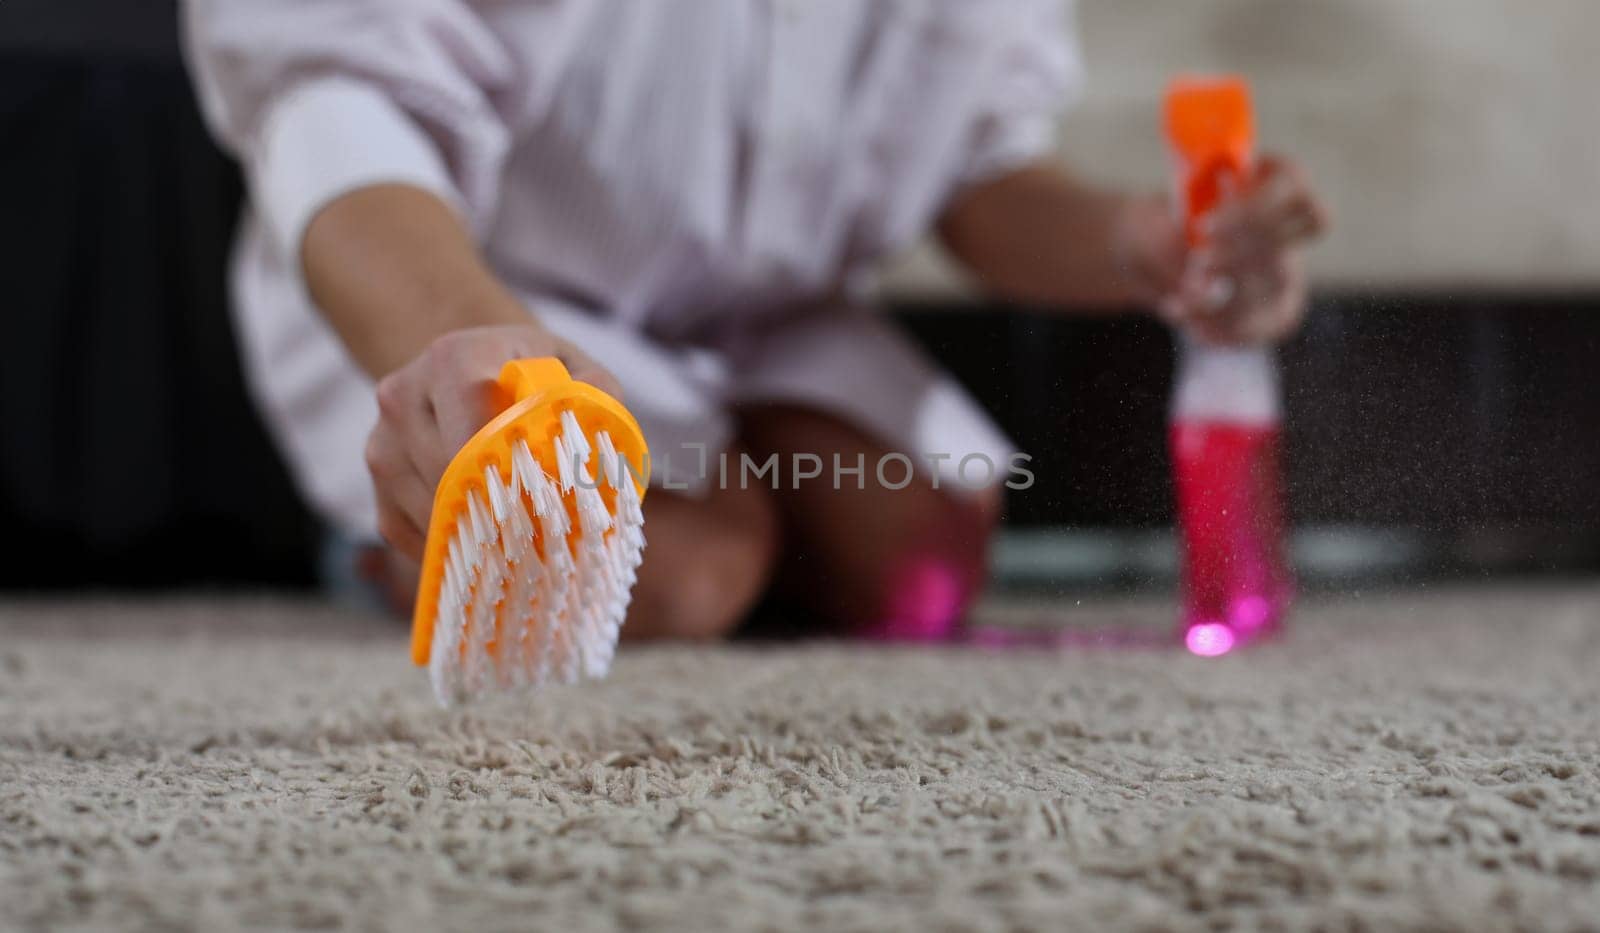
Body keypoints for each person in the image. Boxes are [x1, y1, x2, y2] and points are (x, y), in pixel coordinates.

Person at [182, 0, 1326, 640]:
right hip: (480, 271)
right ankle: (388, 543)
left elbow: (979, 176)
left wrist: (1146, 241)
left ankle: (726, 498)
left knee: (919, 565)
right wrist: (476, 348)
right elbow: (339, 110)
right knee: (675, 576)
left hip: (759, 313)